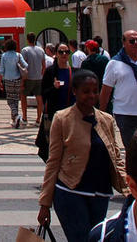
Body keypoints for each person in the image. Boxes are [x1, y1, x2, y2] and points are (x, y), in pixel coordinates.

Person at [38, 69, 128, 242]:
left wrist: (129, 189)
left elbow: (116, 157)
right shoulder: (62, 118)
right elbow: (53, 161)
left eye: (95, 91)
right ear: (74, 91)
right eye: (86, 91)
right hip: (70, 191)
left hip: (100, 194)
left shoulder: (106, 120)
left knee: (96, 238)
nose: (91, 95)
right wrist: (45, 204)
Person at [42, 42, 76, 120]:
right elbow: (43, 93)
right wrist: (54, 87)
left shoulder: (74, 72)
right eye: (61, 52)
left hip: (70, 113)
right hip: (55, 114)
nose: (64, 54)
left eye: (67, 52)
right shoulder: (50, 71)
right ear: (56, 54)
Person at [0, 37, 26, 128]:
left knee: (10, 100)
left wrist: (0, 81)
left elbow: (1, 70)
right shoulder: (18, 55)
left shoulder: (4, 56)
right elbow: (25, 65)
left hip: (8, 79)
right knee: (15, 99)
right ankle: (14, 119)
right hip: (18, 79)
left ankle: (16, 115)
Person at [21, 32, 47, 126]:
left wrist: (23, 80)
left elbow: (24, 66)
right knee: (39, 98)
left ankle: (25, 118)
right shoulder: (41, 50)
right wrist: (42, 74)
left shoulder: (25, 50)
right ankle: (38, 119)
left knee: (23, 96)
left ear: (27, 39)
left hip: (29, 77)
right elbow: (44, 65)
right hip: (39, 77)